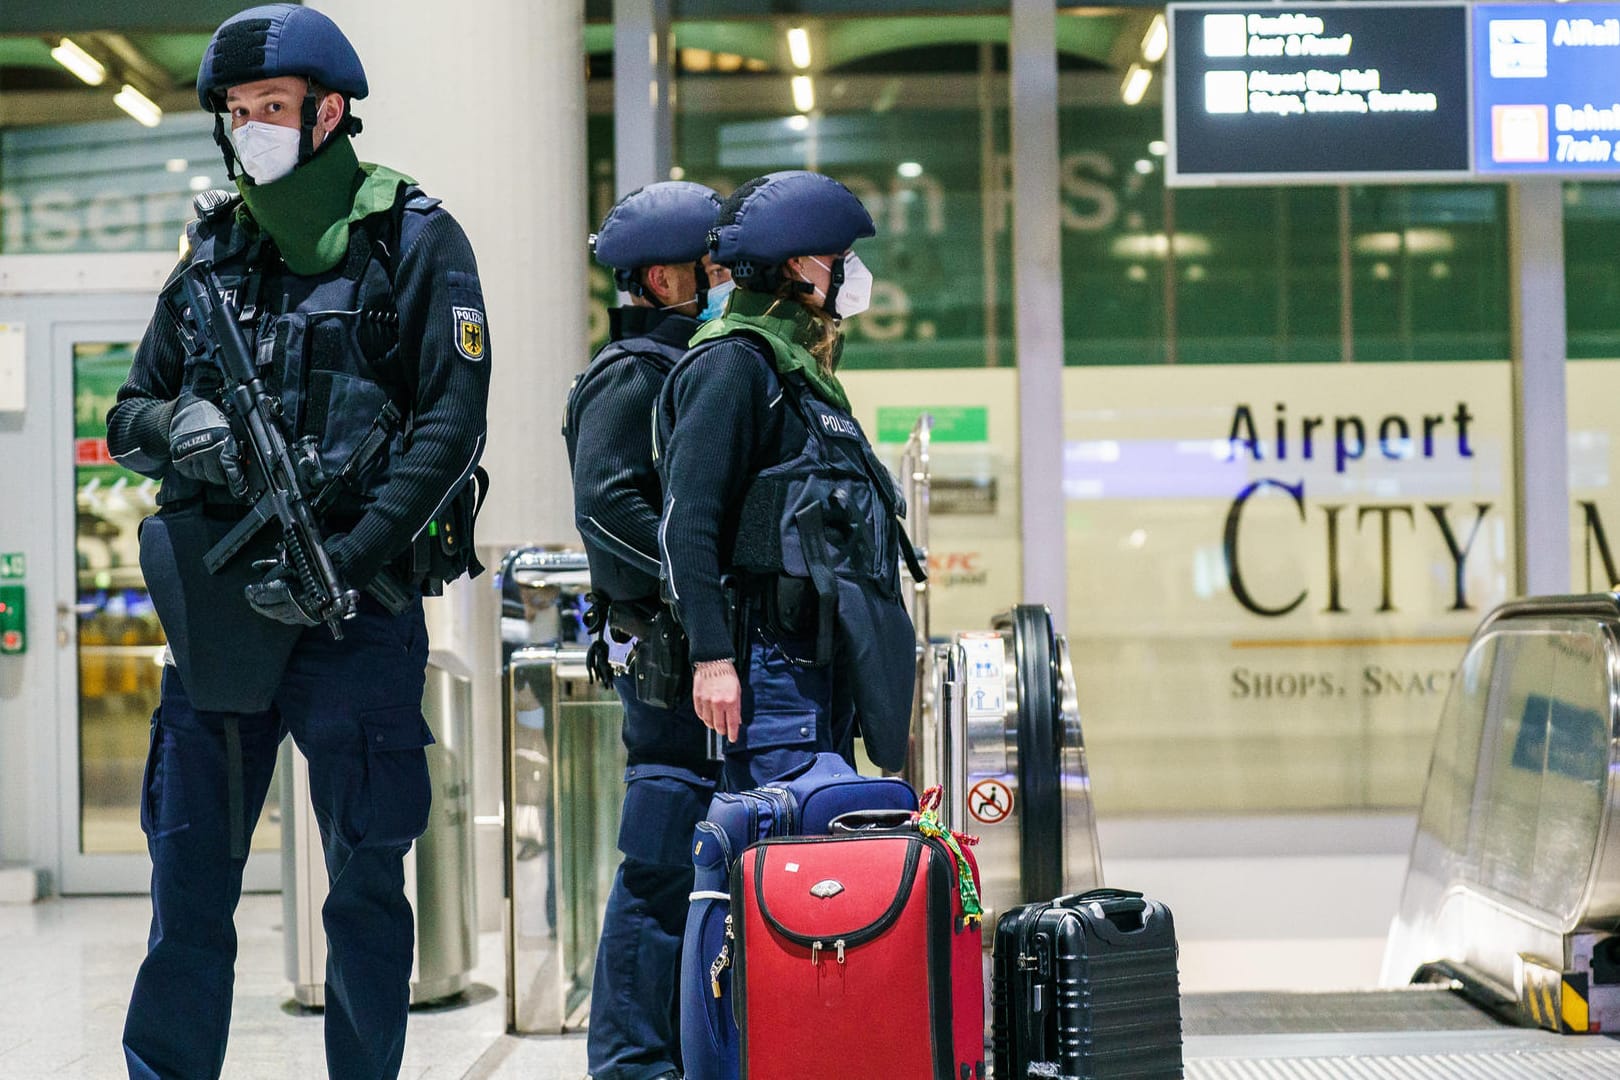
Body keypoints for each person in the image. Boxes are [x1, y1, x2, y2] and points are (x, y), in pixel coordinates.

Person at [108, 6, 490, 1078]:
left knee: (367, 888)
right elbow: (128, 412)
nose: (251, 129)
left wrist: (354, 559)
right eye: (237, 113)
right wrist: (175, 427)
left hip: (354, 617)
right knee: (188, 887)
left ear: (329, 112)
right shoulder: (217, 247)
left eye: (270, 108)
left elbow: (451, 428)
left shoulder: (413, 238)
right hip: (224, 623)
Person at [655, 170, 924, 791]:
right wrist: (712, 658)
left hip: (820, 670)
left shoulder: (799, 370)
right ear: (799, 265)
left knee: (824, 861)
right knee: (785, 863)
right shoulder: (732, 363)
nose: (851, 272)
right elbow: (688, 518)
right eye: (841, 259)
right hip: (769, 673)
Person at [564, 181, 730, 1080]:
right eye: (711, 268)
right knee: (661, 861)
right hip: (663, 660)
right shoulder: (633, 374)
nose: (723, 282)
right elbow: (606, 509)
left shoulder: (682, 367)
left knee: (686, 859)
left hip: (675, 647)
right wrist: (697, 580)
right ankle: (629, 1063)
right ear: (663, 278)